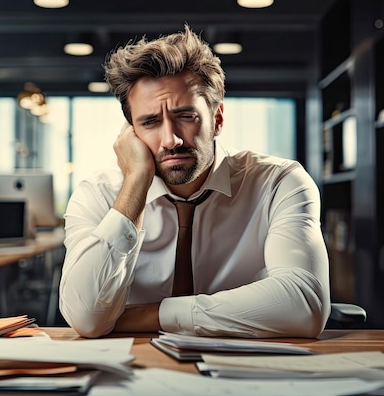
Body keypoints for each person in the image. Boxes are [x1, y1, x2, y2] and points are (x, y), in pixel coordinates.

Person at [59, 25, 330, 339]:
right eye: (149, 122)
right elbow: (86, 318)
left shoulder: (279, 183)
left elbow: (304, 304)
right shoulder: (98, 194)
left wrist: (151, 315)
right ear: (130, 132)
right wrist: (136, 181)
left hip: (246, 369)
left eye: (185, 116)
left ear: (217, 119)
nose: (170, 139)